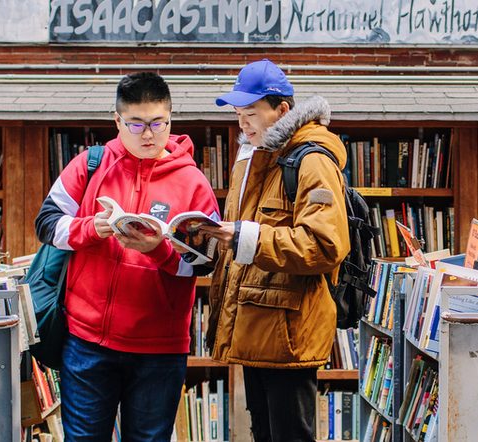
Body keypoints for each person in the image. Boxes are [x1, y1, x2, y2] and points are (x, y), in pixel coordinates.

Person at [34, 72, 219, 441]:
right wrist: (92, 229)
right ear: (118, 121)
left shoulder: (193, 183)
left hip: (159, 350)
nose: (148, 134)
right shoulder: (91, 165)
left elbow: (206, 262)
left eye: (158, 123)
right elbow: (46, 223)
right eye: (136, 124)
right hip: (87, 343)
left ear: (170, 119)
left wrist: (160, 251)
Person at [199, 59, 350, 442]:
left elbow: (324, 244)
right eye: (237, 115)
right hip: (256, 327)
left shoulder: (312, 160)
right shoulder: (255, 159)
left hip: (288, 332)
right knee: (263, 432)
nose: (242, 124)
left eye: (250, 113)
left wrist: (246, 239)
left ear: (282, 110)